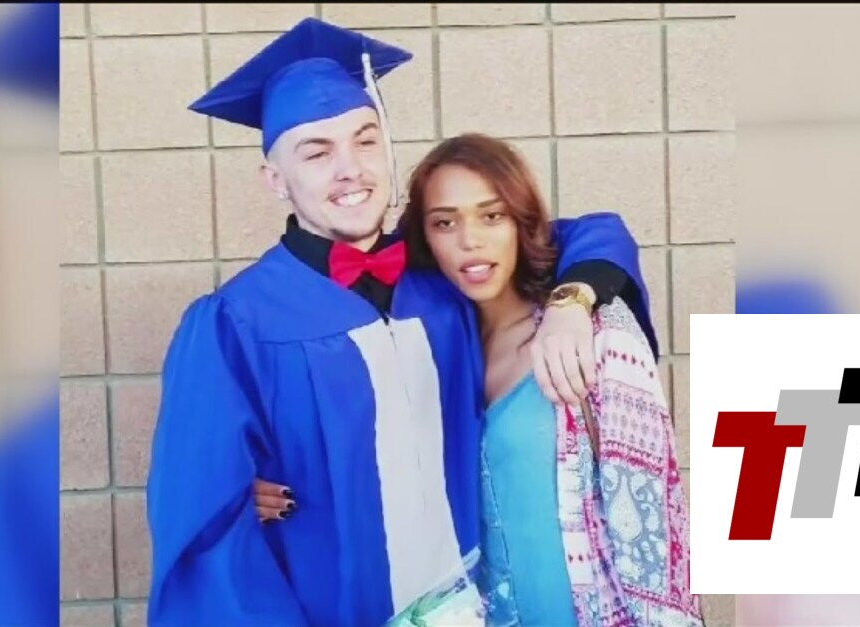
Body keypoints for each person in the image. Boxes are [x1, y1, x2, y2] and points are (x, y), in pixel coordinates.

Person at [147, 18, 652, 627]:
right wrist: (230, 489)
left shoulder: (441, 279)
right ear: (275, 180)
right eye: (317, 152)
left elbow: (591, 233)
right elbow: (207, 538)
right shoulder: (234, 326)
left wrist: (573, 301)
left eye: (364, 141)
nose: (351, 169)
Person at [258, 134, 702, 627]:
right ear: (424, 240)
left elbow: (652, 530)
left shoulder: (591, 334)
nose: (470, 240)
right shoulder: (428, 346)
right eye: (444, 222)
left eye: (493, 216)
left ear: (522, 223)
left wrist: (573, 300)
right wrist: (257, 484)